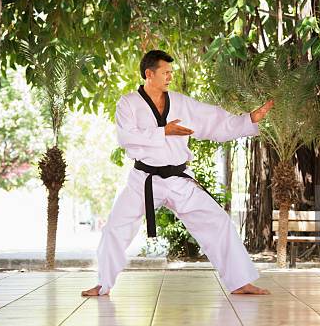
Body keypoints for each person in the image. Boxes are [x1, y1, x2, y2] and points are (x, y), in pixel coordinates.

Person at [82, 50, 273, 296]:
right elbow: (126, 137)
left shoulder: (181, 103)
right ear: (149, 74)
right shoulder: (128, 103)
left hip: (178, 179)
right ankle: (103, 284)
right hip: (145, 179)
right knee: (114, 228)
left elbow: (213, 120)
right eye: (165, 72)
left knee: (218, 222)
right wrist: (164, 131)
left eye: (171, 72)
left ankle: (240, 282)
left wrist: (248, 119)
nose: (170, 77)